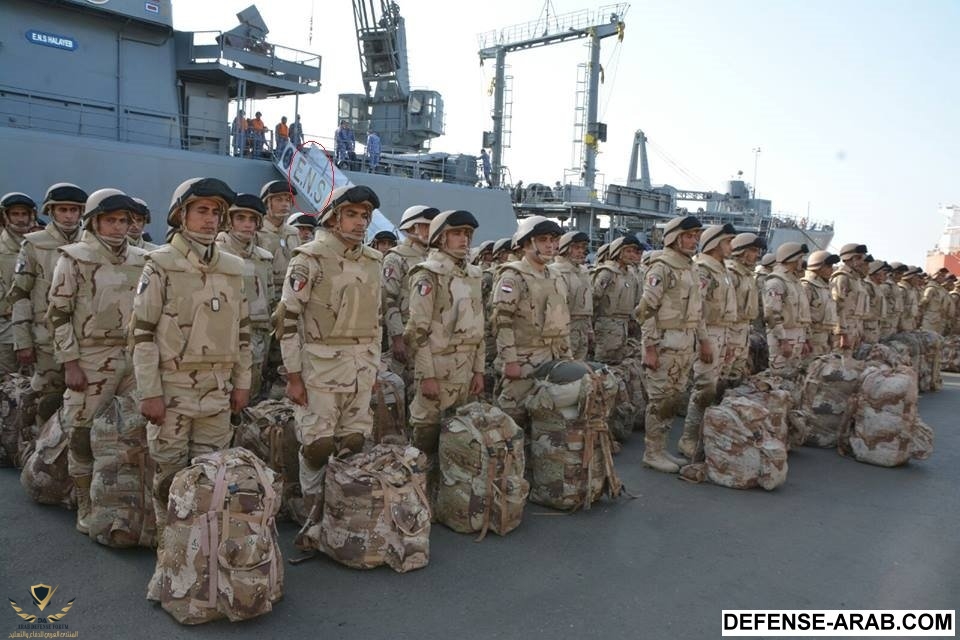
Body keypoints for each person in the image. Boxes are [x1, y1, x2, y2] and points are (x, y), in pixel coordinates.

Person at [132, 177, 251, 541]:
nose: (210, 219)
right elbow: (142, 334)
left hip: (217, 389)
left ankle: (199, 550)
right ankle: (168, 547)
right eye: (201, 210)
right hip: (172, 390)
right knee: (169, 475)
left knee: (210, 476)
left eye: (216, 212)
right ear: (180, 215)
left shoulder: (233, 268)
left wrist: (242, 384)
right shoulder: (160, 264)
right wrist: (150, 393)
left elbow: (243, 331)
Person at [277, 184, 381, 512]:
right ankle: (311, 512)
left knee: (353, 442)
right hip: (319, 368)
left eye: (364, 216)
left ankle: (340, 514)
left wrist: (374, 369)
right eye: (351, 214)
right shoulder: (309, 258)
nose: (360, 222)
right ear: (333, 218)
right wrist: (293, 376)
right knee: (318, 446)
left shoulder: (373, 261)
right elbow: (287, 320)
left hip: (361, 366)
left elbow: (376, 321)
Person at [47, 188, 146, 534]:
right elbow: (58, 314)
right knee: (82, 430)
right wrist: (70, 362)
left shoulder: (143, 259)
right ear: (94, 222)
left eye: (124, 221)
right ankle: (84, 501)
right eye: (111, 220)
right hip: (90, 356)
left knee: (133, 429)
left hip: (132, 355)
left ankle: (120, 501)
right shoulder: (74, 258)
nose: (119, 227)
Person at [404, 209, 484, 500]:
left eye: (467, 234)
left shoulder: (473, 274)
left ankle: (450, 499)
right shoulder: (428, 274)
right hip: (438, 367)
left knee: (458, 435)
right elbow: (417, 331)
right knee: (426, 435)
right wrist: (426, 375)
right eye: (456, 233)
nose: (464, 239)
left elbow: (479, 327)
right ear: (440, 238)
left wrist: (479, 370)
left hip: (465, 368)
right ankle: (418, 498)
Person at [8, 183, 88, 425]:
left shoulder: (91, 243)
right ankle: (42, 446)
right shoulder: (34, 245)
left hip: (85, 340)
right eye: (63, 210)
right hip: (46, 339)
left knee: (84, 404)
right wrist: (23, 340)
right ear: (51, 212)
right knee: (48, 401)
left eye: (74, 210)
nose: (69, 216)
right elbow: (20, 293)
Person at [634, 215, 707, 473]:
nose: (694, 240)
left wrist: (704, 341)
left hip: (685, 343)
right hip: (664, 343)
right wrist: (650, 348)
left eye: (696, 236)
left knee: (672, 399)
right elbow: (646, 311)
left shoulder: (690, 267)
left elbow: (697, 309)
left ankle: (661, 448)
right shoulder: (661, 267)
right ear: (674, 238)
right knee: (659, 400)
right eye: (688, 236)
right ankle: (652, 453)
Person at [492, 215, 571, 430]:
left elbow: (562, 321)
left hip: (551, 358)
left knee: (546, 419)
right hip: (523, 359)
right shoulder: (513, 276)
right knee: (512, 419)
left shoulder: (556, 276)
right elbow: (502, 321)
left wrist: (567, 358)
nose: (550, 245)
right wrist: (510, 361)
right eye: (543, 240)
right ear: (527, 244)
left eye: (553, 240)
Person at [679, 223, 737, 459]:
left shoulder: (721, 270)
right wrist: (704, 341)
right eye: (727, 242)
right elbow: (697, 308)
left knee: (713, 387)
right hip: (708, 332)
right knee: (704, 388)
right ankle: (688, 438)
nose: (731, 246)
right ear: (714, 244)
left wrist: (729, 340)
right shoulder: (703, 269)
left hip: (722, 331)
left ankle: (704, 436)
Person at [216, 194, 275, 401]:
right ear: (229, 221)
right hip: (221, 338)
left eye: (252, 219)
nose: (247, 225)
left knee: (249, 397)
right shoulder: (214, 254)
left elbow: (271, 300)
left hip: (255, 338)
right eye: (241, 218)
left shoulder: (264, 258)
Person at [382, 205, 440, 383]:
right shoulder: (395, 257)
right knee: (405, 381)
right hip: (407, 333)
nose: (431, 231)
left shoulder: (436, 257)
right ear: (412, 227)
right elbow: (388, 299)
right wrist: (397, 338)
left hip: (433, 334)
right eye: (426, 226)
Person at [0, 193, 38, 374]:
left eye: (24, 214)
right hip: (5, 326)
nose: (20, 219)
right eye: (15, 214)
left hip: (36, 324)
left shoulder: (40, 245)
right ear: (5, 216)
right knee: (8, 380)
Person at [591, 235, 643, 363]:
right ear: (617, 252)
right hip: (606, 324)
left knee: (619, 361)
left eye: (634, 252)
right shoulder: (607, 273)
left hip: (624, 325)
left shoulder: (631, 274)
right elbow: (594, 298)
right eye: (628, 251)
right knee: (604, 361)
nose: (632, 255)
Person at [764, 241, 810, 378]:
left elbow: (802, 313)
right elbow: (772, 314)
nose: (802, 261)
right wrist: (783, 340)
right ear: (791, 258)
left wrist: (805, 338)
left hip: (797, 336)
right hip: (783, 337)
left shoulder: (795, 281)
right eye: (800, 258)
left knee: (793, 376)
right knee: (779, 377)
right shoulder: (776, 282)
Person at [725, 232, 764, 386]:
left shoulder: (747, 275)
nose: (757, 255)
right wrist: (726, 341)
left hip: (743, 331)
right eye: (753, 250)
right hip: (730, 332)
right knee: (721, 376)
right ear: (741, 252)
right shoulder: (730, 274)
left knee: (736, 376)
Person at [550, 231, 593, 360]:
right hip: (566, 327)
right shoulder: (555, 271)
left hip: (582, 326)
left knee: (581, 365)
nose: (581, 251)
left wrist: (589, 329)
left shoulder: (583, 271)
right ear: (565, 249)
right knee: (565, 365)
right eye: (576, 248)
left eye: (583, 248)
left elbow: (587, 303)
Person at [800, 250, 840, 358]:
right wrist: (805, 339)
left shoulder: (827, 287)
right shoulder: (807, 286)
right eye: (828, 266)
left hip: (825, 338)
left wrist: (832, 337)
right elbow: (801, 316)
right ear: (818, 267)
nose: (831, 269)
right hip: (812, 339)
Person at [830, 243, 868, 351]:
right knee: (841, 359)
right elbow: (837, 307)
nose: (862, 262)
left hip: (854, 329)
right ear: (849, 259)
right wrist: (843, 334)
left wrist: (860, 331)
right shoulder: (842, 277)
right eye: (859, 258)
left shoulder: (856, 279)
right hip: (844, 332)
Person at [863, 261, 890, 344]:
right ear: (876, 273)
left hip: (875, 326)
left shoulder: (877, 287)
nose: (886, 276)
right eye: (884, 273)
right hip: (867, 328)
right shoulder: (867, 286)